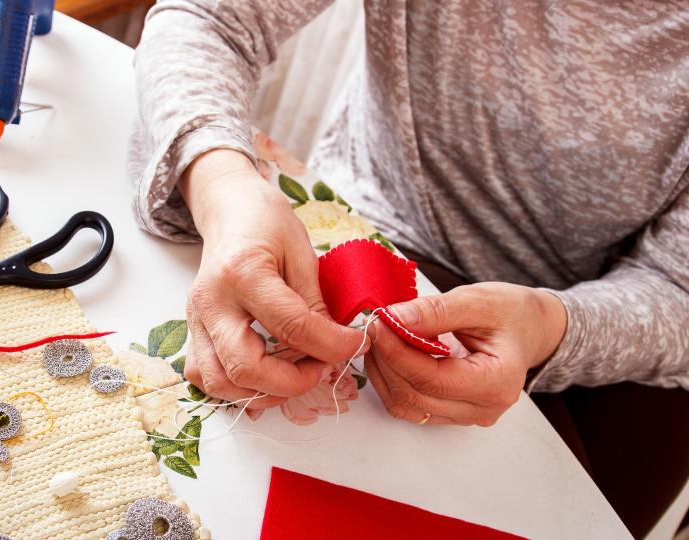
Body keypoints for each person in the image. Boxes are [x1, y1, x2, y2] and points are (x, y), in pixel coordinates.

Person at [128, 1, 689, 537]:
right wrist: (223, 185)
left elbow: (677, 286)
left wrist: (550, 326)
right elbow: (207, 18)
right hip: (351, 227)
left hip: (587, 338)